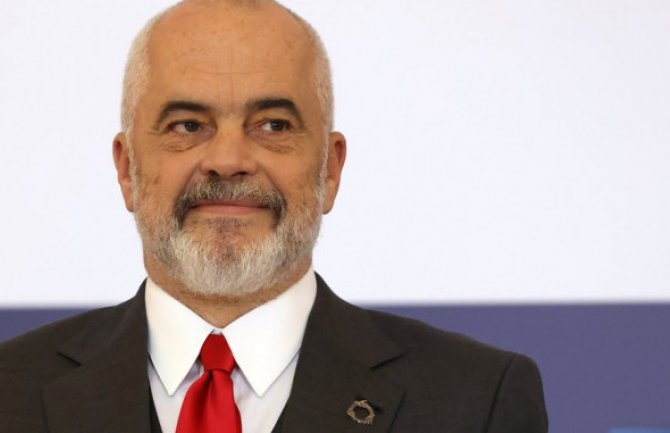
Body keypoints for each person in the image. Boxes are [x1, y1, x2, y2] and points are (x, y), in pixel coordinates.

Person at [0, 1, 548, 432]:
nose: (228, 160)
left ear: (330, 170)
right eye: (188, 125)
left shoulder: (477, 399)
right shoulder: (11, 390)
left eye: (273, 125)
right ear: (127, 170)